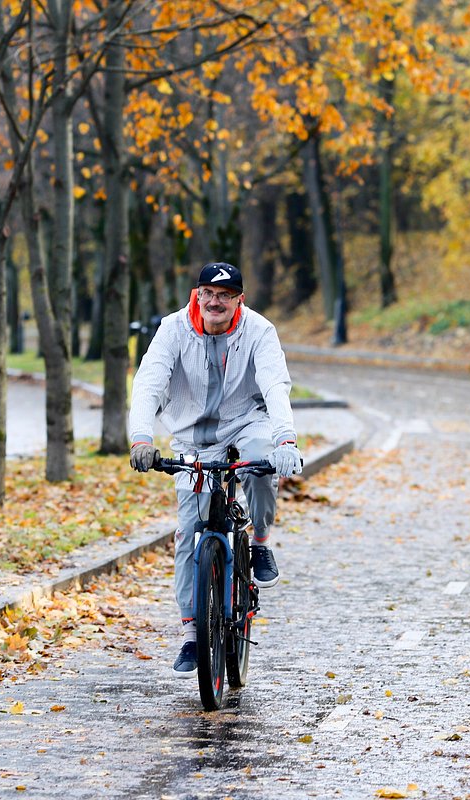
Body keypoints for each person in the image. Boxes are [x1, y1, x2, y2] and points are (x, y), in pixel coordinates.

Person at [128, 262, 303, 675]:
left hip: (247, 423)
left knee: (259, 469)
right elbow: (148, 382)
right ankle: (192, 633)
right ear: (197, 294)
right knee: (189, 531)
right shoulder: (172, 330)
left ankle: (258, 541)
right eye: (208, 292)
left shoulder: (259, 331)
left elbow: (276, 386)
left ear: (239, 299)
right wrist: (141, 438)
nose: (215, 301)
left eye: (225, 295)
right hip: (190, 437)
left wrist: (286, 440)